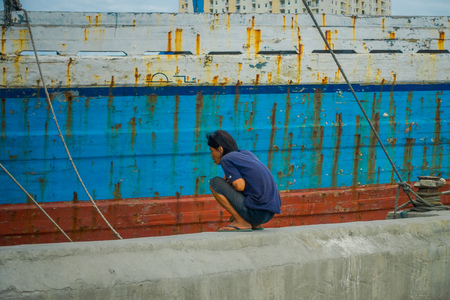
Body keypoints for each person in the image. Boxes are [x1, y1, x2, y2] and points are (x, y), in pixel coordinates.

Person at [207, 130, 282, 232]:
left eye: (212, 151)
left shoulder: (226, 159)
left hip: (257, 213)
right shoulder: (246, 153)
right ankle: (255, 224)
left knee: (215, 183)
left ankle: (241, 222)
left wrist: (228, 185)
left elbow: (240, 186)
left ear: (220, 149)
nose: (211, 155)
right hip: (268, 214)